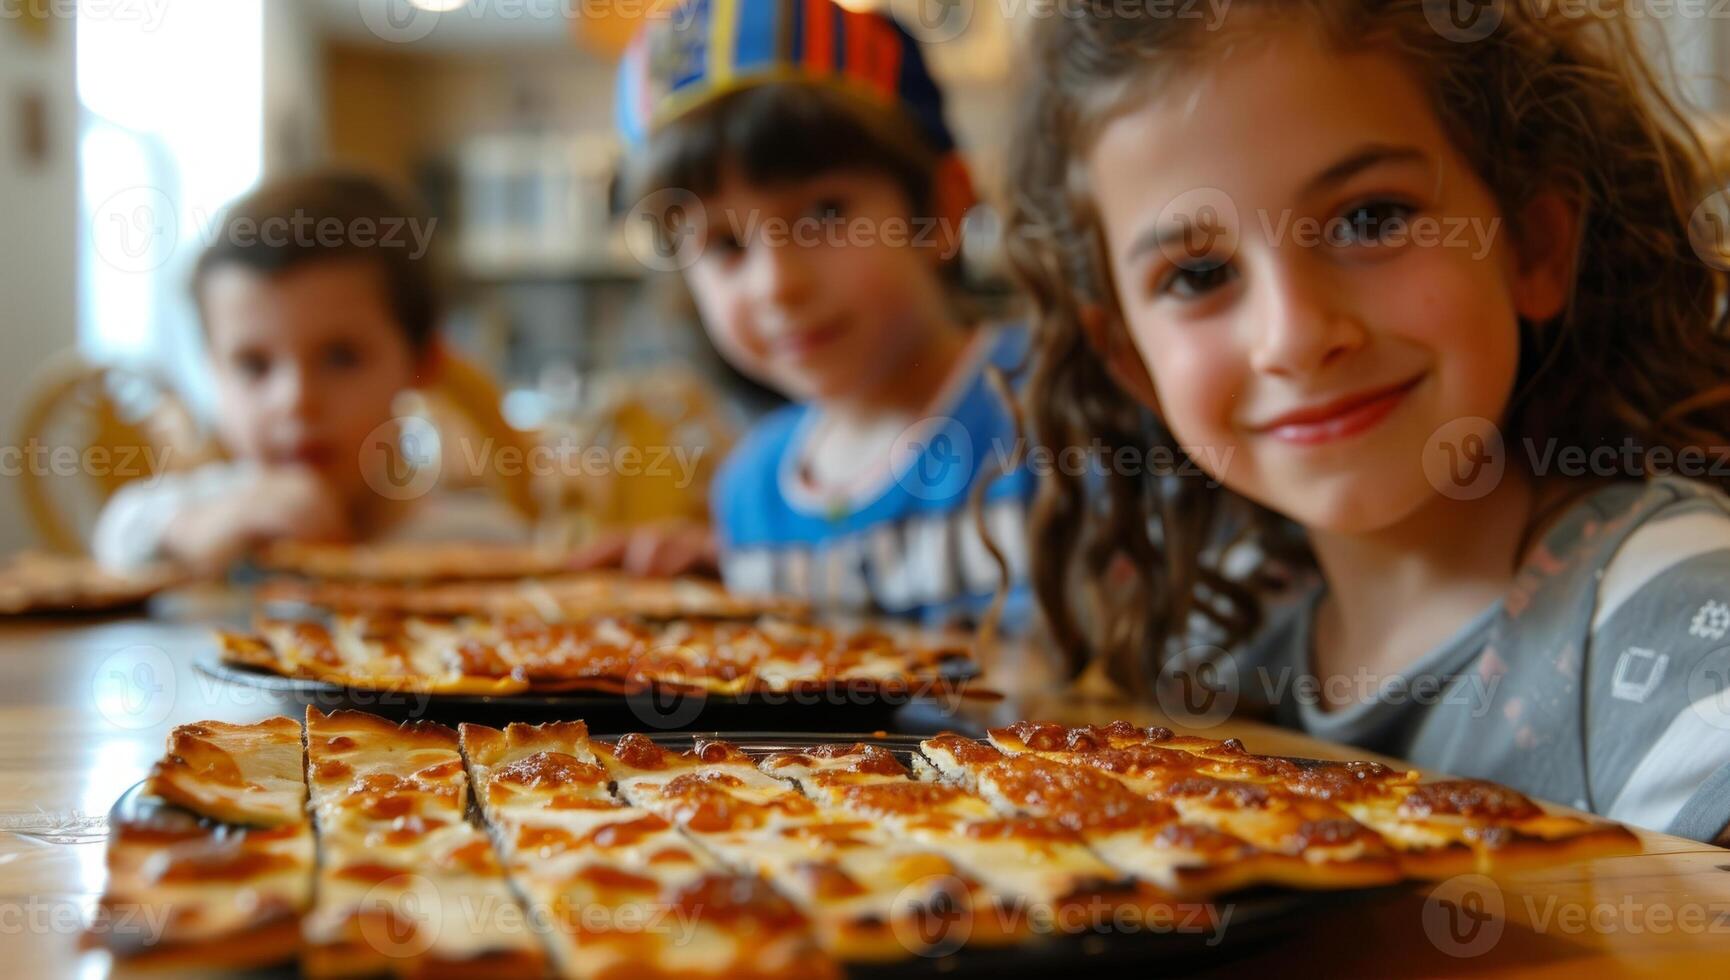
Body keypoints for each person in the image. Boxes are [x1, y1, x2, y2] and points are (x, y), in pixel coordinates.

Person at [1005, 0, 1730, 842]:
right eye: (1199, 274)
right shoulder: (1225, 645)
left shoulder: (1678, 622)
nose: (1297, 336)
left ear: (1532, 245)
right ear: (1129, 358)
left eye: (1370, 218)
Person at [599, 0, 1035, 630]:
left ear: (943, 207)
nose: (777, 284)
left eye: (824, 215)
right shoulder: (749, 497)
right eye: (725, 245)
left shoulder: (1064, 403)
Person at [94, 172, 526, 573]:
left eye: (340, 358)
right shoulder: (213, 512)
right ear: (212, 370)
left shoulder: (480, 546)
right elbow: (120, 529)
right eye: (254, 365)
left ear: (421, 364)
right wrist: (196, 531)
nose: (295, 399)